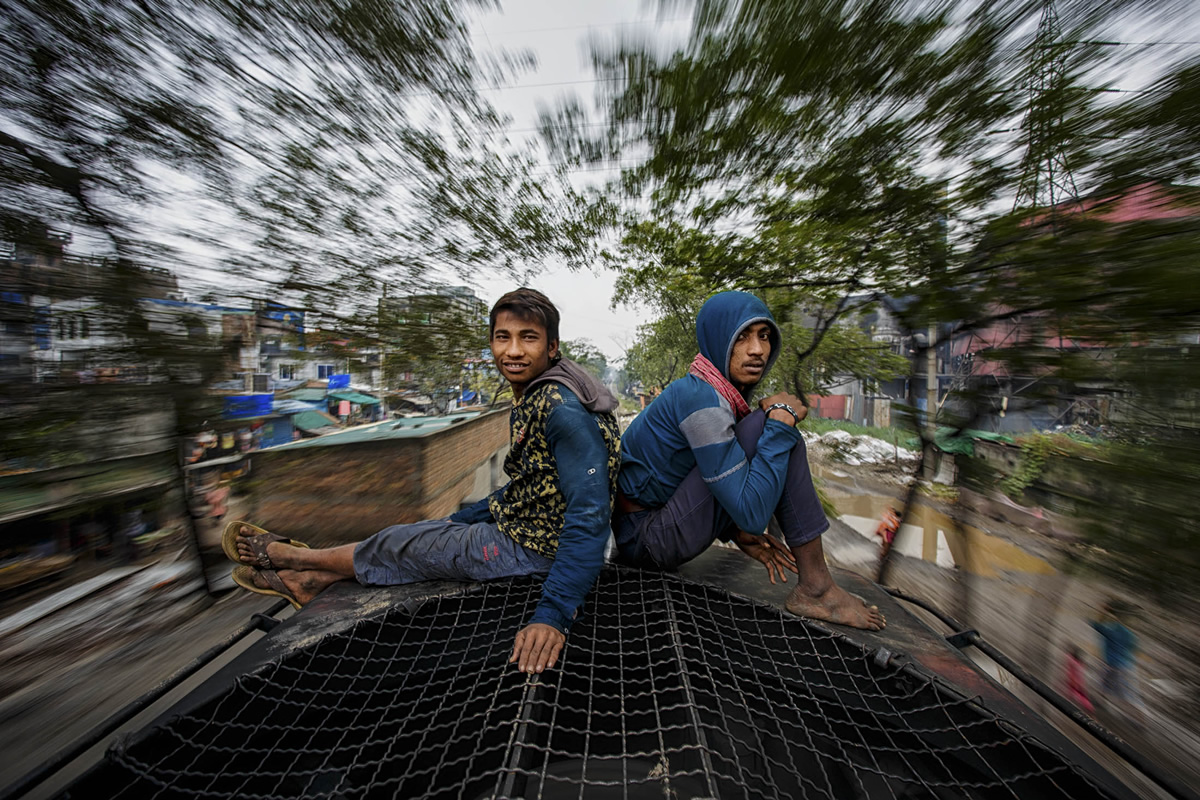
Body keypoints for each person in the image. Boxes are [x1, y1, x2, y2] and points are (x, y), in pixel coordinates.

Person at [224, 288, 621, 675]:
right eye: (503, 337)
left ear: (552, 347)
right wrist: (464, 518)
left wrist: (553, 614)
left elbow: (590, 514)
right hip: (525, 526)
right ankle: (311, 582)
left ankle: (297, 558)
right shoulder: (541, 391)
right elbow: (533, 486)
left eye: (528, 338)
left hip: (534, 549)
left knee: (397, 543)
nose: (513, 351)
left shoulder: (562, 410)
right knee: (426, 532)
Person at [613, 291, 885, 631]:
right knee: (773, 425)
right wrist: (779, 425)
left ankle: (817, 586)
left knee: (770, 424)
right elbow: (753, 515)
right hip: (647, 541)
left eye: (764, 336)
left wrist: (733, 531)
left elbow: (685, 475)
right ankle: (816, 588)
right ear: (718, 340)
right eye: (741, 336)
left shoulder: (711, 391)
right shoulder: (701, 400)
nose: (757, 349)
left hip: (648, 530)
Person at [1090, 599, 1144, 721]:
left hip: (1113, 665)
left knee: (1120, 690)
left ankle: (1139, 716)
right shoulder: (1131, 635)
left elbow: (1096, 625)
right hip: (1127, 666)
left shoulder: (1112, 630)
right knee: (1126, 691)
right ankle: (1139, 716)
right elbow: (1133, 649)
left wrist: (1103, 611)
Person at [1063, 645, 1095, 715]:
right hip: (1076, 682)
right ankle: (1089, 710)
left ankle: (1089, 709)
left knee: (1078, 695)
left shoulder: (1073, 661)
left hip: (1075, 682)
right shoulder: (1078, 663)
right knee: (1080, 696)